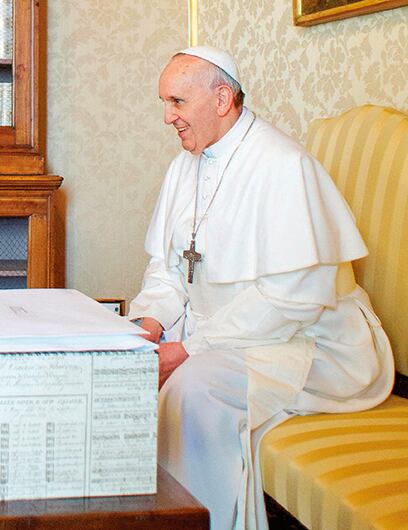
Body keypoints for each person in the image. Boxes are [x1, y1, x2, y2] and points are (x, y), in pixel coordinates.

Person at [127, 46, 394, 530]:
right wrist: (147, 328)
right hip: (225, 332)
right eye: (164, 103)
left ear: (222, 99)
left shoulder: (283, 165)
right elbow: (167, 268)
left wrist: (188, 348)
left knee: (195, 388)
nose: (167, 117)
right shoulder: (185, 165)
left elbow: (292, 300)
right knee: (129, 370)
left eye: (176, 103)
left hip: (312, 341)